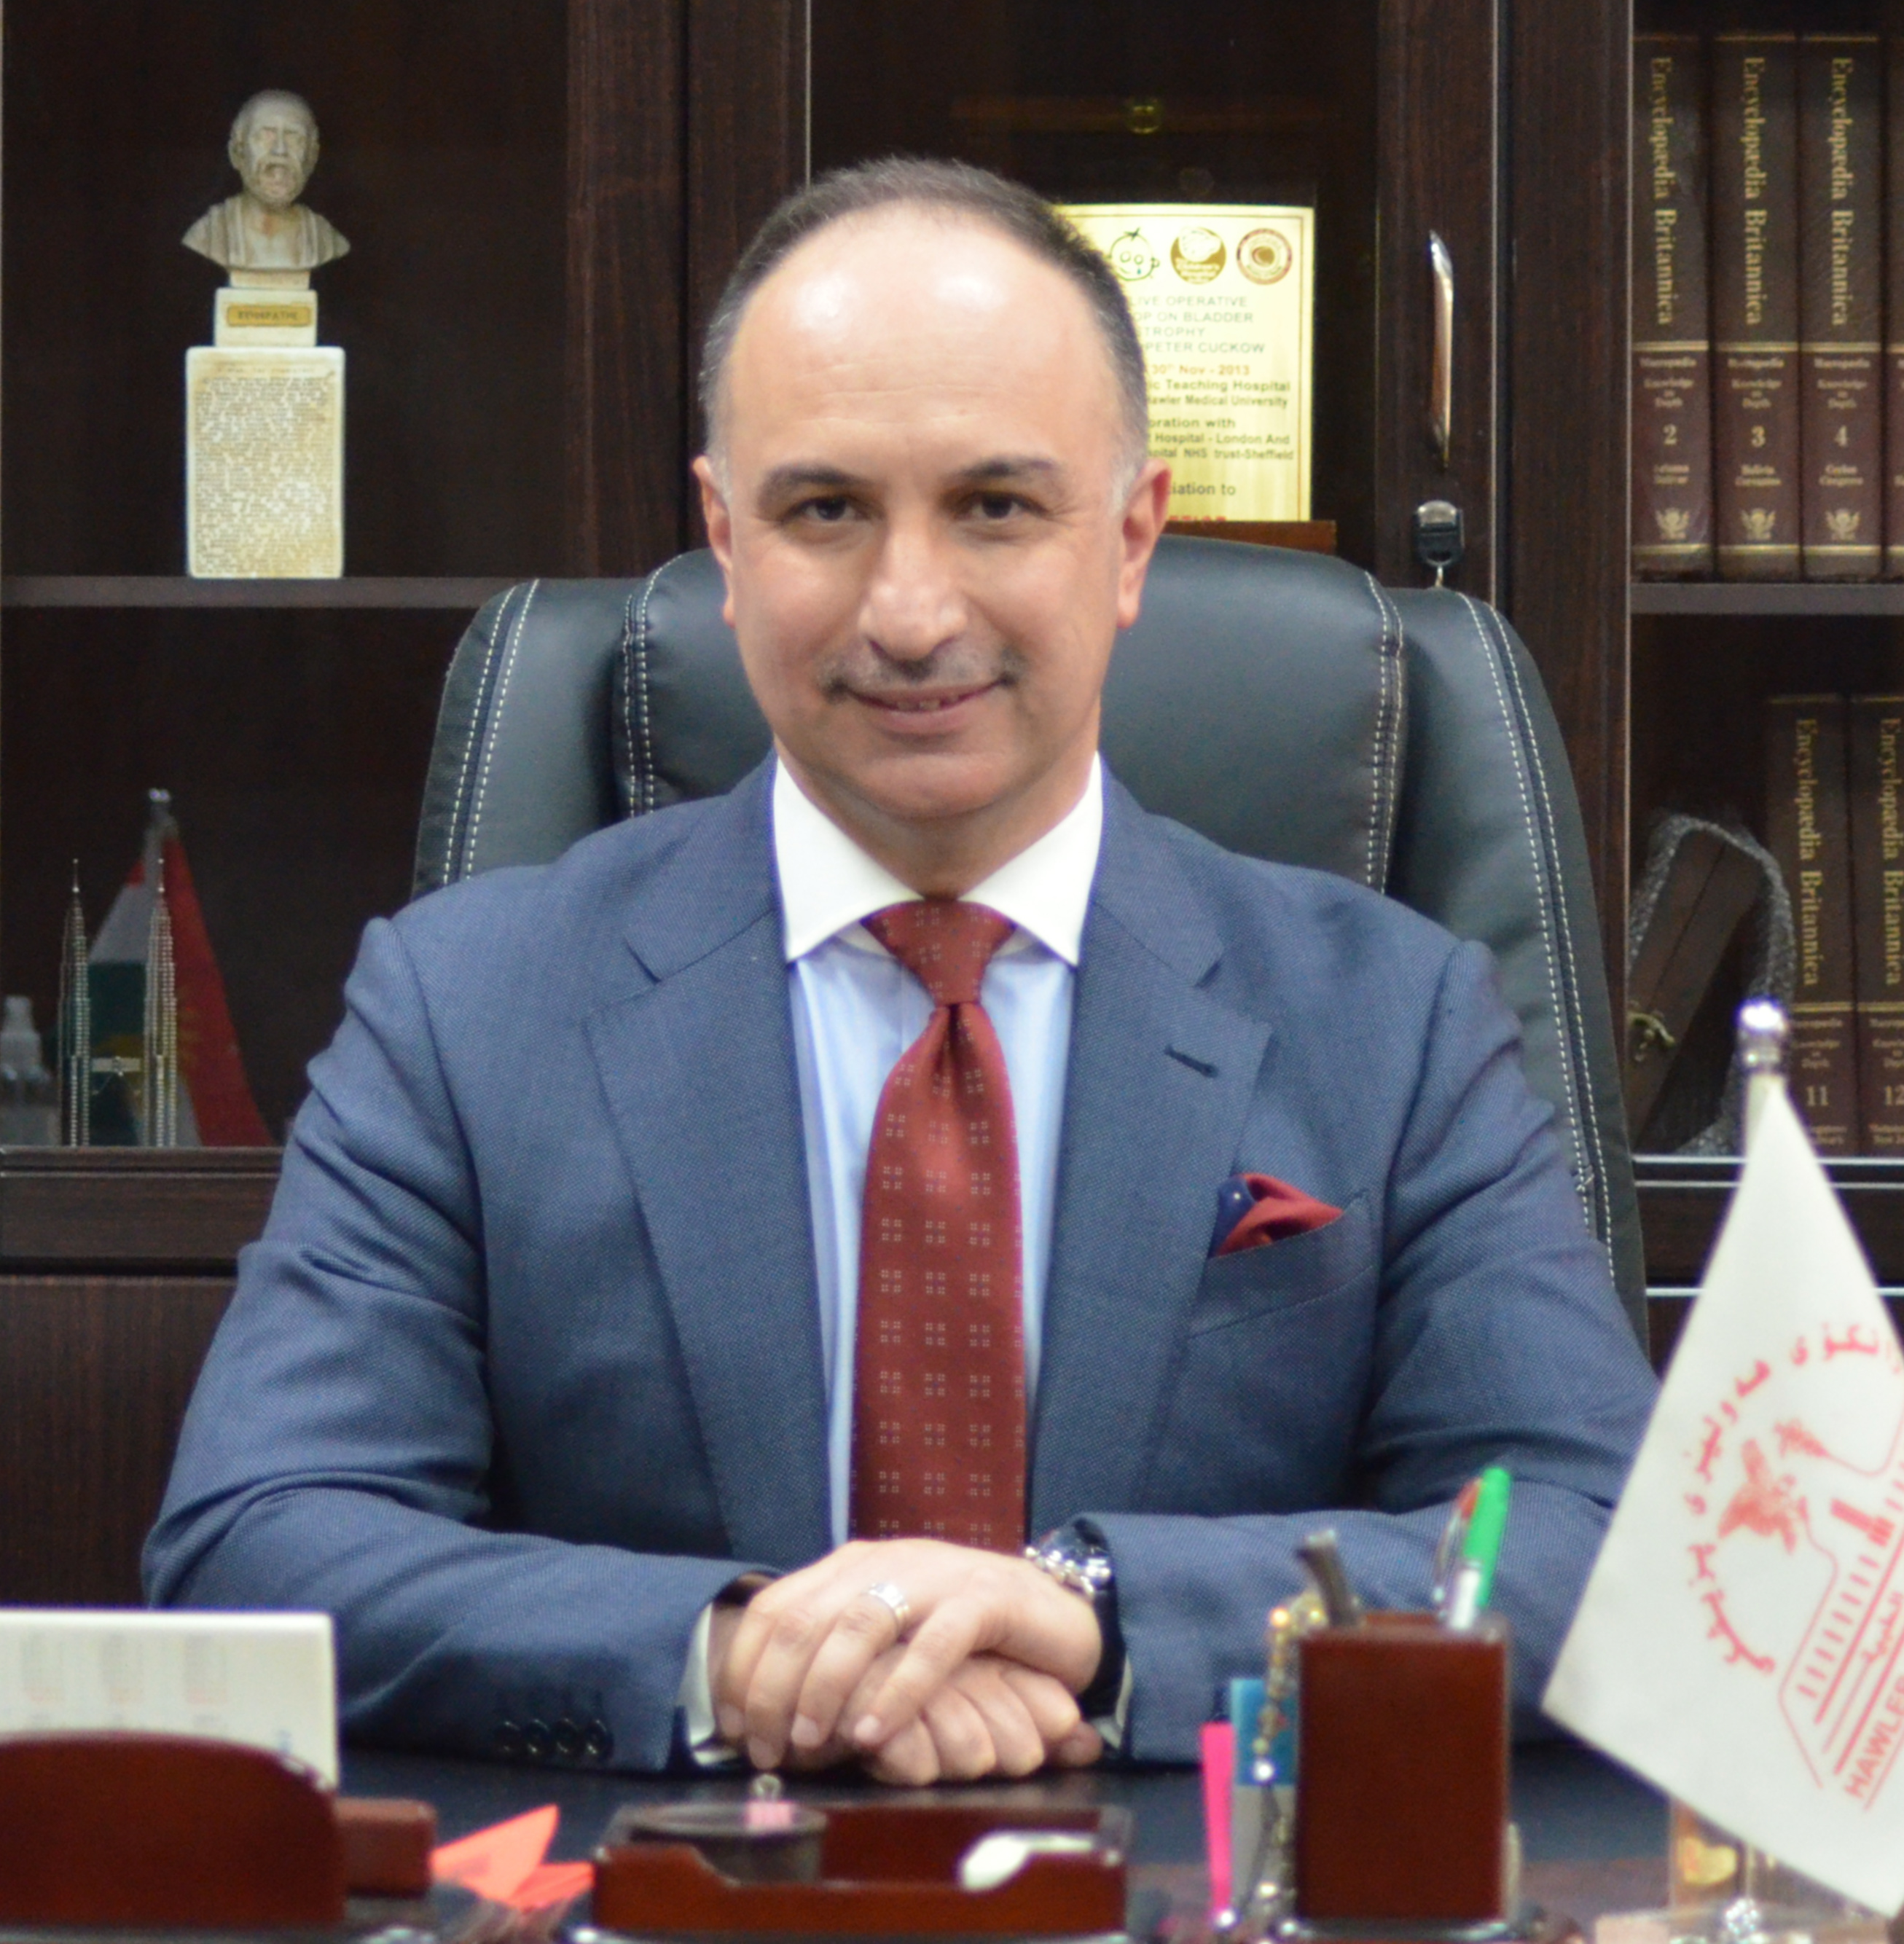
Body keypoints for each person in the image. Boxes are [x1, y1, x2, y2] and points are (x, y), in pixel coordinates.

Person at [146, 159, 1656, 1784]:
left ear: (1130, 537)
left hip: (1181, 1879)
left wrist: (1096, 1615)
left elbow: (1596, 1549)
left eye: (995, 506)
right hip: (665, 1879)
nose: (912, 612)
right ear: (725, 540)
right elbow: (260, 1538)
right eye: (825, 511)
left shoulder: (1391, 1019)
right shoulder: (464, 1008)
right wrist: (728, 1651)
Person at [183, 90, 350, 277]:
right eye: (266, 135)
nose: (280, 150)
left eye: (294, 138)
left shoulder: (326, 241)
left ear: (312, 158)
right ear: (237, 152)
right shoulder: (209, 235)